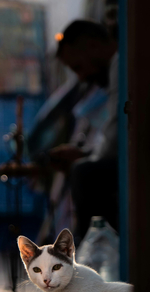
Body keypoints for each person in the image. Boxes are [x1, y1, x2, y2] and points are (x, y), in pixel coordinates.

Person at [49, 20, 119, 244]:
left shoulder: (120, 66)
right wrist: (86, 153)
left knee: (84, 173)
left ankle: (94, 252)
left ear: (92, 46)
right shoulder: (114, 74)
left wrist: (86, 158)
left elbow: (115, 137)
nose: (81, 77)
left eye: (78, 67)